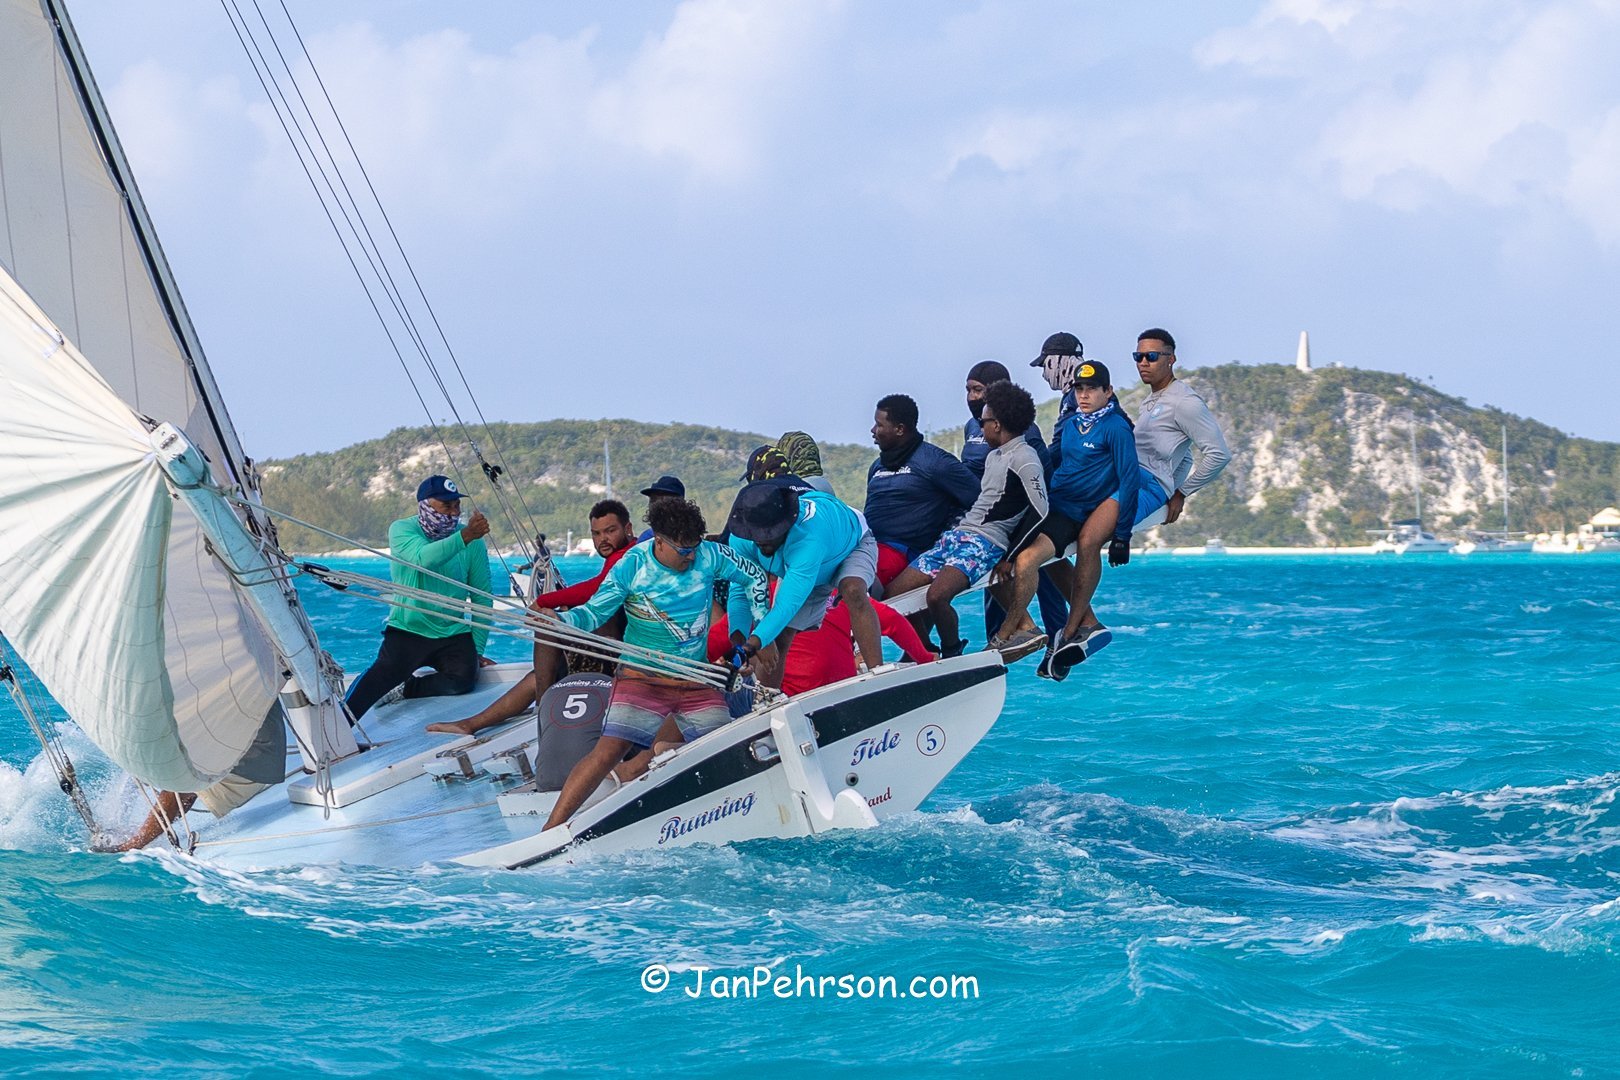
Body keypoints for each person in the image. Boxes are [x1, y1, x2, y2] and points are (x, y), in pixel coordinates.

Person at [540, 498, 770, 831]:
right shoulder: (631, 565)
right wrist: (562, 621)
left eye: (694, 547)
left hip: (695, 679)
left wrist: (761, 631)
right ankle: (551, 831)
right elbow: (594, 614)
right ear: (659, 541)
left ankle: (726, 818)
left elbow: (754, 577)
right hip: (641, 677)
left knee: (724, 748)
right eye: (682, 550)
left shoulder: (708, 555)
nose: (690, 556)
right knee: (608, 751)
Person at [1061, 328, 1231, 648]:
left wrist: (1180, 492)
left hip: (1146, 486)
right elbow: (1184, 451)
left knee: (1088, 539)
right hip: (1124, 474)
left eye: (1152, 357)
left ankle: (1073, 630)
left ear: (1171, 359)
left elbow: (1219, 454)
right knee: (1056, 536)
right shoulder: (1151, 400)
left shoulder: (1185, 402)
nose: (1143, 363)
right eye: (1138, 357)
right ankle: (1080, 622)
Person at [429, 499, 635, 736]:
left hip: (622, 653)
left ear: (627, 529)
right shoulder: (619, 556)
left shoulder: (629, 556)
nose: (603, 539)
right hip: (606, 647)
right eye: (596, 534)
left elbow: (597, 588)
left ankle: (542, 706)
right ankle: (473, 724)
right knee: (539, 674)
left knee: (547, 627)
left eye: (610, 531)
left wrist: (546, 601)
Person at [991, 362, 1137, 682]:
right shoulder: (1072, 424)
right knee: (1015, 557)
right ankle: (1079, 627)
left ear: (1108, 392)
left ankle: (1028, 633)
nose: (1084, 396)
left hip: (1081, 513)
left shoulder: (1116, 428)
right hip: (1056, 507)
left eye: (1092, 390)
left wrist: (1123, 535)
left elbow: (1129, 480)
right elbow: (1054, 460)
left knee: (1032, 559)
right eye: (1079, 390)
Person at [886, 380, 1048, 657]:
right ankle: (924, 649)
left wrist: (1011, 554)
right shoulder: (994, 455)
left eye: (983, 421)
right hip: (959, 536)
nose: (980, 427)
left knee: (937, 597)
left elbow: (1041, 510)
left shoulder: (1025, 457)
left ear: (996, 424)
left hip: (985, 542)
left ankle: (951, 652)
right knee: (893, 594)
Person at [345, 475, 492, 721]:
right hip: (409, 629)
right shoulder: (402, 530)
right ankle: (339, 727)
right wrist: (465, 536)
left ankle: (407, 688)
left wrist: (477, 650)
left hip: (451, 632)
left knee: (463, 682)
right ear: (425, 505)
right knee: (374, 683)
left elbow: (482, 596)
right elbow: (424, 560)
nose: (454, 512)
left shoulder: (472, 542)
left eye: (457, 505)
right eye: (446, 506)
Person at [724, 481, 884, 686]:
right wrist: (739, 648)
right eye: (757, 536)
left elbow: (786, 605)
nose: (762, 541)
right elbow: (739, 589)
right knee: (779, 635)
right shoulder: (741, 540)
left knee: (852, 590)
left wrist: (753, 644)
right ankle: (767, 701)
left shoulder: (808, 541)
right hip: (809, 565)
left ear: (785, 526)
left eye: (770, 535)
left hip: (852, 544)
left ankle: (879, 674)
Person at [963, 357, 1067, 648]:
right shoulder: (972, 428)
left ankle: (1058, 640)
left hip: (1021, 520)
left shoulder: (1025, 432)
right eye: (968, 390)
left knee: (1042, 573)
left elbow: (1039, 482)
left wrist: (1020, 537)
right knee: (992, 586)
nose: (972, 397)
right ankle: (999, 647)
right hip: (986, 518)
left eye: (978, 390)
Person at [864, 393, 980, 588]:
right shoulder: (877, 467)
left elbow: (980, 498)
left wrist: (952, 537)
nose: (873, 430)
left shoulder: (935, 462)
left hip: (903, 551)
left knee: (857, 582)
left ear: (900, 429)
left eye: (880, 425)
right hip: (870, 547)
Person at [781, 596, 935, 695]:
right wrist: (925, 658)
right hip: (846, 689)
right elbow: (892, 620)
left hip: (791, 699)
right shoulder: (844, 592)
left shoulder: (765, 599)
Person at [636, 474, 685, 542]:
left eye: (663, 500)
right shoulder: (646, 538)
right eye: (653, 500)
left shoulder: (691, 537)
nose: (656, 505)